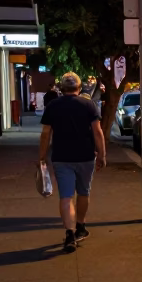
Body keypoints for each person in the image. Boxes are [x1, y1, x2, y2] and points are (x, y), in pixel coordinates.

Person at [38, 72, 106, 253]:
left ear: (62, 88)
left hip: (61, 157)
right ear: (78, 87)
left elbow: (46, 133)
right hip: (85, 157)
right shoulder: (88, 105)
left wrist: (42, 156)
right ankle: (81, 226)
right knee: (84, 192)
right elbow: (97, 132)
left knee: (66, 196)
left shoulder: (53, 106)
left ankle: (69, 233)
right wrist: (102, 154)